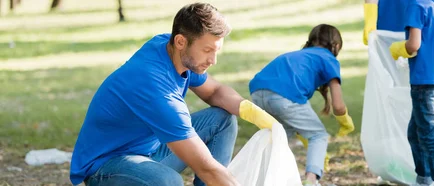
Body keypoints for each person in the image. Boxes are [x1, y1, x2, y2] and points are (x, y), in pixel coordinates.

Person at [69, 3, 281, 186]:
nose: (213, 60)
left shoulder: (169, 48)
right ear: (181, 42)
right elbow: (206, 167)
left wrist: (253, 112)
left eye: (216, 51)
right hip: (106, 166)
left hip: (149, 152)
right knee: (167, 181)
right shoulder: (155, 88)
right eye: (207, 50)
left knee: (223, 119)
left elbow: (215, 91)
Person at [248, 24, 355, 186]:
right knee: (318, 135)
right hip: (284, 96)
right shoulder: (328, 58)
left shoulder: (300, 55)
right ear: (337, 45)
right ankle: (311, 181)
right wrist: (345, 122)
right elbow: (338, 106)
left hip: (256, 94)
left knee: (279, 136)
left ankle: (261, 180)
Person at [388, 0, 434, 185]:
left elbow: (413, 45)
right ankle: (424, 178)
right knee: (415, 133)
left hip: (423, 84)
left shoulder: (416, 5)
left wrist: (398, 49)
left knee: (430, 137)